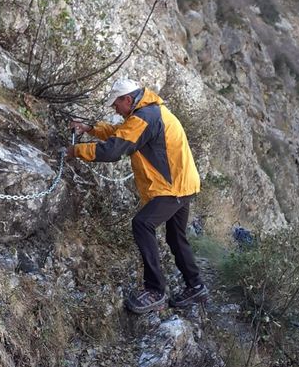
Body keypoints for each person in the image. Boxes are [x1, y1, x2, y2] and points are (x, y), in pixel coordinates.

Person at [66, 77, 208, 314]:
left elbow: (114, 149)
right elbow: (122, 134)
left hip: (172, 188)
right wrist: (91, 129)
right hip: (183, 184)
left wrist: (76, 150)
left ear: (127, 99)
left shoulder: (145, 117)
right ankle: (196, 286)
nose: (115, 109)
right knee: (176, 237)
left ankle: (155, 291)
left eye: (116, 105)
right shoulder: (148, 112)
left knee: (142, 224)